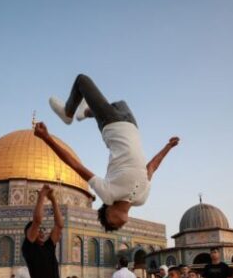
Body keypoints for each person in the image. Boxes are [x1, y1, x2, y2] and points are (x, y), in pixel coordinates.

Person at [42, 74, 181, 231]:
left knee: (82, 81)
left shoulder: (108, 194)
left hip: (111, 125)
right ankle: (85, 113)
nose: (120, 225)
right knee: (119, 103)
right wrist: (168, 147)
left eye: (113, 223)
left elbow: (75, 165)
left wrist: (47, 139)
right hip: (131, 125)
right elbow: (152, 167)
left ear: (108, 209)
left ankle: (68, 113)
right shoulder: (141, 198)